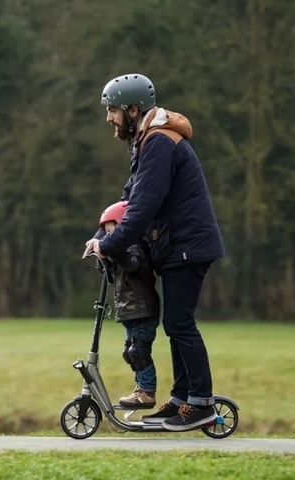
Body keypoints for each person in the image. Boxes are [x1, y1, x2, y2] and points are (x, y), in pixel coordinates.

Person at [83, 73, 225, 431]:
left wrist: (111, 244)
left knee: (180, 324)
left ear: (133, 110)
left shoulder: (159, 142)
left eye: (113, 111)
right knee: (176, 324)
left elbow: (143, 206)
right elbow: (128, 198)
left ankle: (202, 403)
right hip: (177, 247)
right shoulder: (147, 141)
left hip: (187, 247)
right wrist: (102, 233)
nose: (109, 119)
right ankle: (181, 401)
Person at [97, 200, 160, 407]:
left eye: (111, 232)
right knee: (130, 354)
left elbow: (133, 264)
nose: (107, 237)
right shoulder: (123, 251)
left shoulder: (136, 247)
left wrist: (112, 250)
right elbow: (113, 275)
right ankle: (140, 388)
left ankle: (147, 393)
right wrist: (102, 257)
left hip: (142, 310)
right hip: (131, 312)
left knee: (138, 352)